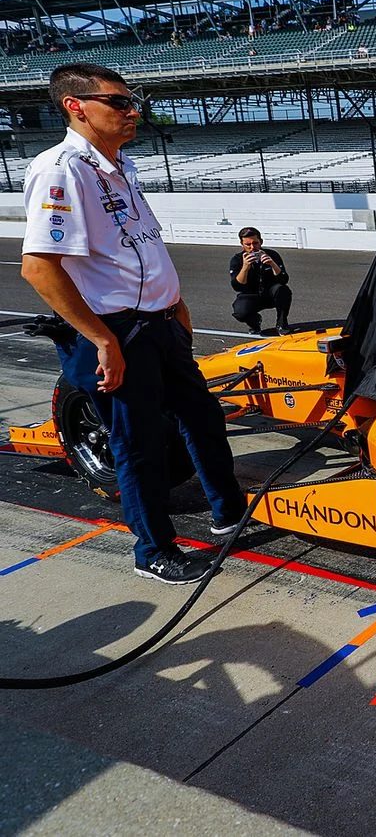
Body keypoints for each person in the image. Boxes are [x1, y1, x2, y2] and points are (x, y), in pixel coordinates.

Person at [20, 62, 246, 585]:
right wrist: (101, 338)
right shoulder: (61, 169)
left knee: (203, 419)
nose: (133, 111)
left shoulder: (122, 168)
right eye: (118, 102)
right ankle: (153, 551)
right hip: (118, 332)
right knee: (138, 443)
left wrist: (176, 304)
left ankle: (228, 511)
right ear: (76, 106)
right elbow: (39, 268)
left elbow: (142, 251)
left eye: (132, 101)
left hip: (162, 324)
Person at [228, 226, 293, 335]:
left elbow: (284, 279)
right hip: (251, 295)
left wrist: (272, 264)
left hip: (270, 293)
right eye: (248, 245)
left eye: (255, 243)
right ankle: (254, 323)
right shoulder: (237, 260)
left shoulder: (272, 255)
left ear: (261, 242)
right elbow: (237, 287)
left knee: (283, 290)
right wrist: (245, 267)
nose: (252, 247)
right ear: (242, 244)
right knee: (240, 311)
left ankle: (281, 323)